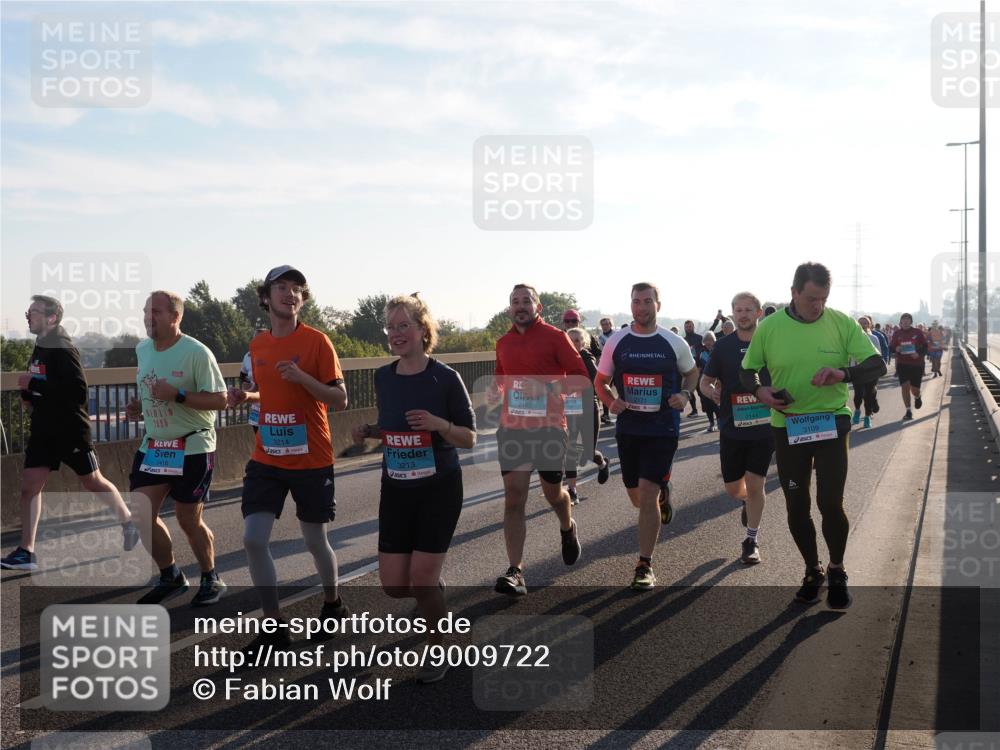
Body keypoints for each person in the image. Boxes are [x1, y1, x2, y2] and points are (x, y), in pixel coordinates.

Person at [740, 262, 885, 609]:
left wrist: (842, 373)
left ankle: (837, 569)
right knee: (797, 504)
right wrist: (761, 392)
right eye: (810, 299)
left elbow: (876, 364)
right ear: (793, 293)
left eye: (822, 299)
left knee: (831, 503)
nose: (817, 305)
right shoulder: (770, 328)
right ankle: (812, 569)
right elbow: (748, 372)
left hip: (831, 422)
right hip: (788, 424)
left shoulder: (841, 322)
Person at [351, 295, 476, 684]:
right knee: (393, 586)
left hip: (439, 488)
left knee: (420, 580)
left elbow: (470, 438)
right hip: (397, 489)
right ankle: (434, 596)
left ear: (423, 330)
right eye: (390, 327)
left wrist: (439, 424)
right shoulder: (384, 377)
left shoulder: (446, 377)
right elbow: (394, 429)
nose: (396, 334)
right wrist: (370, 432)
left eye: (404, 325)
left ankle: (438, 648)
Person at [229, 266, 349, 644]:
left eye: (297, 289)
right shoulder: (258, 345)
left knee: (314, 540)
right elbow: (270, 391)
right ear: (266, 297)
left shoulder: (317, 342)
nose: (290, 294)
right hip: (267, 457)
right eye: (282, 287)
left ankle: (333, 604)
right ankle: (274, 624)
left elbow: (340, 399)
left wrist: (304, 379)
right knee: (253, 539)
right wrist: (246, 397)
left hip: (311, 458)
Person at [1, 295, 138, 571]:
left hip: (69, 430)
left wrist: (35, 382)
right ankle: (26, 551)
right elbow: (43, 381)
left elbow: (77, 392)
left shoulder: (63, 347)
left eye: (34, 312)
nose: (28, 315)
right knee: (30, 487)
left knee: (93, 482)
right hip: (43, 429)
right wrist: (29, 394)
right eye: (28, 311)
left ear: (51, 318)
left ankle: (128, 522)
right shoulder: (41, 344)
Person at [126, 291, 227, 606]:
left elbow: (220, 399)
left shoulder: (196, 352)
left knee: (187, 517)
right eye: (146, 311)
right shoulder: (143, 349)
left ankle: (211, 576)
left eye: (155, 311)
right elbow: (150, 391)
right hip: (155, 445)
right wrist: (138, 408)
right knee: (141, 513)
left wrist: (178, 395)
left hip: (192, 443)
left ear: (175, 316)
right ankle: (171, 575)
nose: (148, 317)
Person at [596, 282, 698, 590]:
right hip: (629, 427)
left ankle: (644, 564)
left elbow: (692, 373)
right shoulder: (617, 341)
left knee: (647, 492)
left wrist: (684, 393)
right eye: (636, 302)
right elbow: (600, 380)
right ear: (631, 306)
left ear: (658, 305)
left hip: (662, 427)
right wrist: (610, 401)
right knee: (637, 497)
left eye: (647, 301)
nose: (642, 307)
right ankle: (663, 494)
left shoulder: (673, 342)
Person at [489, 284, 586, 597]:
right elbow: (502, 377)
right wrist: (496, 390)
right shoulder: (502, 342)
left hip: (548, 429)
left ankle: (567, 525)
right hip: (513, 429)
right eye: (515, 301)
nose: (520, 306)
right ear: (509, 309)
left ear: (538, 307)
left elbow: (580, 380)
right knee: (514, 497)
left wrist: (545, 390)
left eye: (526, 301)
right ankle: (516, 571)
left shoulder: (555, 337)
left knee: (552, 494)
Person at [700, 292, 774, 565]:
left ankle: (751, 540)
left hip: (764, 427)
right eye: (738, 310)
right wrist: (711, 393)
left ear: (758, 313)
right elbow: (705, 382)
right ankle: (746, 501)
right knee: (734, 489)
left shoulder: (770, 343)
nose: (743, 314)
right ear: (733, 314)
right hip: (732, 427)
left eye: (748, 309)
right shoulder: (723, 347)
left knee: (756, 484)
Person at [563, 327, 611, 503]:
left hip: (589, 406)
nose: (574, 343)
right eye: (570, 340)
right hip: (570, 406)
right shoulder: (561, 359)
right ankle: (572, 490)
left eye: (577, 340)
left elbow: (599, 380)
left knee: (588, 452)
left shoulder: (587, 358)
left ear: (584, 342)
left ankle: (602, 463)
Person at [889, 313, 927, 422]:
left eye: (907, 320)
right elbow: (891, 347)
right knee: (905, 386)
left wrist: (918, 354)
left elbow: (925, 347)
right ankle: (908, 411)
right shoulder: (897, 333)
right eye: (903, 320)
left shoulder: (917, 332)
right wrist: (896, 348)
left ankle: (917, 396)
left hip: (916, 364)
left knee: (915, 389)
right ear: (900, 322)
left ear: (911, 322)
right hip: (902, 364)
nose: (905, 322)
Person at [851, 317, 882, 429]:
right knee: (858, 395)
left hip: (870, 372)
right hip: (857, 371)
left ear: (869, 325)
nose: (863, 325)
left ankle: (867, 416)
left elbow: (879, 355)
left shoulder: (874, 338)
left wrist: (877, 370)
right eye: (861, 323)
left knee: (868, 395)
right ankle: (857, 410)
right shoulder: (852, 338)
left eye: (866, 323)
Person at [239, 326, 268, 432]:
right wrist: (244, 385)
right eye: (254, 339)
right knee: (256, 435)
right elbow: (243, 375)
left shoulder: (273, 355)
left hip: (271, 405)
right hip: (255, 405)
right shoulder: (248, 356)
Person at [698, 332, 719, 432]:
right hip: (705, 381)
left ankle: (719, 421)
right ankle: (711, 422)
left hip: (718, 380)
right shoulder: (702, 353)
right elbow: (700, 366)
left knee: (716, 402)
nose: (708, 342)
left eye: (710, 340)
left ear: (714, 340)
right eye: (706, 340)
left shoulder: (718, 349)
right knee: (707, 403)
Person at [682, 320, 702, 417]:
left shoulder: (700, 338)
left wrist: (701, 366)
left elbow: (704, 354)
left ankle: (709, 409)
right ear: (684, 328)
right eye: (687, 327)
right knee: (689, 391)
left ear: (693, 327)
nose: (688, 328)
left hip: (699, 369)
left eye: (690, 326)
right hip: (688, 370)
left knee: (701, 392)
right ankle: (694, 410)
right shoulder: (683, 340)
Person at [597, 318, 615, 424]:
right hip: (606, 365)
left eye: (607, 324)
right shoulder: (600, 337)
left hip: (617, 365)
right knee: (605, 388)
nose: (605, 326)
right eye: (603, 324)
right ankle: (606, 414)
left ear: (611, 324)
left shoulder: (616, 335)